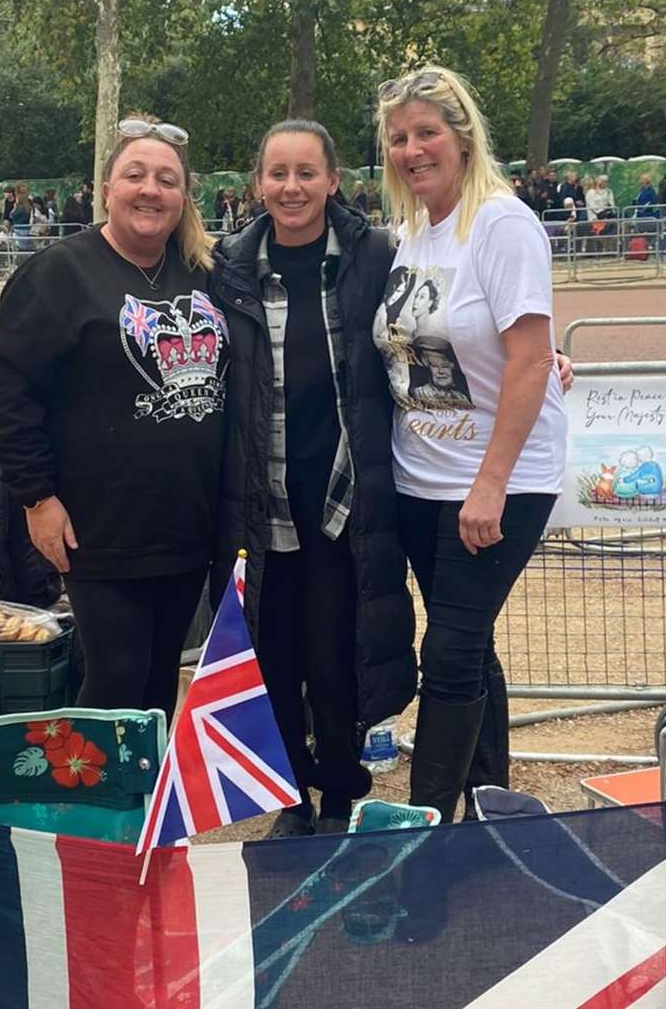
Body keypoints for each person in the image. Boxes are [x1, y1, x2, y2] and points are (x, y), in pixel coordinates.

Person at [372, 65, 568, 826]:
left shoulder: (502, 222)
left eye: (426, 133)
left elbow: (527, 356)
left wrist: (491, 483)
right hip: (421, 477)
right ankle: (491, 799)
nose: (413, 149)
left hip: (498, 485)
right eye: (399, 138)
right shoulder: (410, 234)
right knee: (469, 640)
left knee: (449, 654)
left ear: (462, 137)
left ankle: (427, 833)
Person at [209, 120, 417, 838]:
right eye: (277, 173)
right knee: (273, 659)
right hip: (263, 502)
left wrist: (548, 362)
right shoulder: (227, 267)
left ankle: (339, 795)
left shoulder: (378, 257)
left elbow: (443, 330)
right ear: (257, 183)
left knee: (336, 660)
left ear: (333, 179)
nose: (290, 188)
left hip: (345, 501)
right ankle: (289, 798)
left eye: (306, 173)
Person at [0, 116, 221, 722]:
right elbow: (6, 390)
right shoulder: (59, 273)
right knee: (115, 676)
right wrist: (37, 498)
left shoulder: (203, 270)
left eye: (167, 180)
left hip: (188, 524)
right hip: (99, 526)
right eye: (134, 175)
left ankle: (143, 811)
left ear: (183, 197)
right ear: (106, 188)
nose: (150, 190)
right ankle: (93, 813)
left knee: (162, 676)